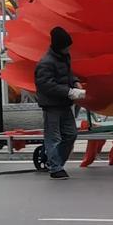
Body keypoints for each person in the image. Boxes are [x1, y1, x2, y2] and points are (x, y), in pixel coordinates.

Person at [35, 26, 85, 179]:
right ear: (59, 46)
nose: (68, 49)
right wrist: (68, 91)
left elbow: (67, 74)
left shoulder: (64, 57)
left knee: (71, 134)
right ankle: (55, 167)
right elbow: (46, 85)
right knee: (53, 137)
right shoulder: (46, 63)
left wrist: (75, 82)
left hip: (64, 103)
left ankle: (55, 162)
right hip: (51, 105)